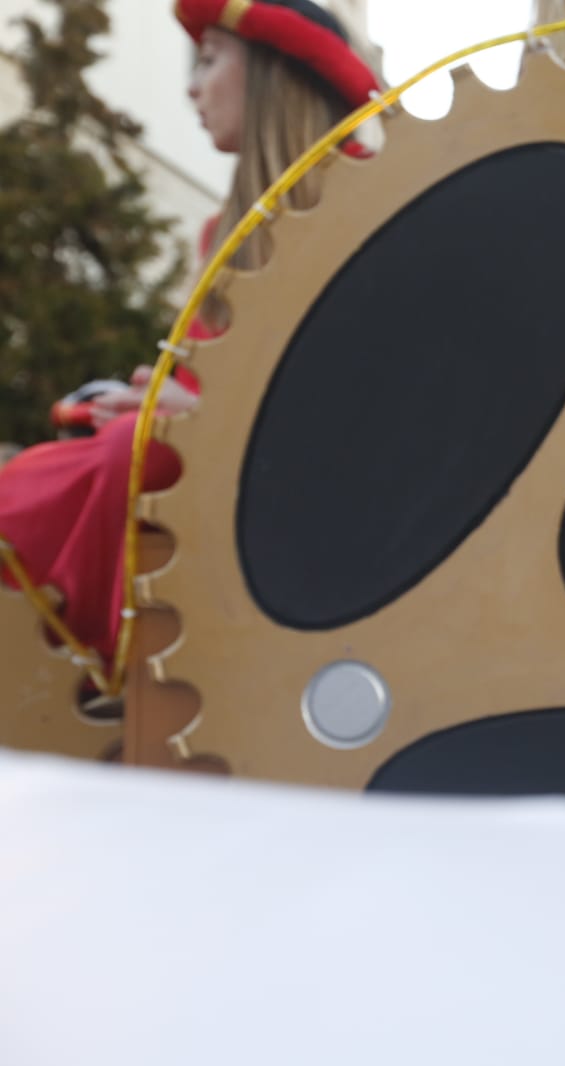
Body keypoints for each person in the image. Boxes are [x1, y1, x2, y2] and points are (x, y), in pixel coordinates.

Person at [0, 0, 379, 680]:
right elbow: (203, 388)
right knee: (39, 479)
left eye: (207, 61)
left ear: (271, 74)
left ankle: (110, 682)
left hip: (316, 503)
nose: (190, 87)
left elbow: (363, 410)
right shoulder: (221, 235)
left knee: (120, 455)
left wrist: (194, 416)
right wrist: (153, 400)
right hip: (218, 474)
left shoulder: (371, 208)